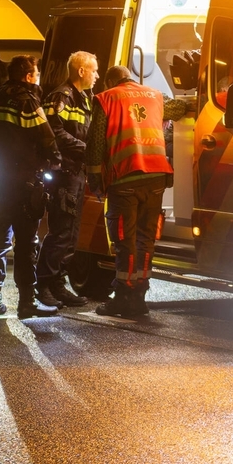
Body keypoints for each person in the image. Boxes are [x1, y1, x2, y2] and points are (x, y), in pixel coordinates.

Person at [84, 65, 189, 319]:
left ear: (110, 81)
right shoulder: (154, 95)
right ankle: (140, 298)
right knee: (145, 240)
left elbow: (95, 142)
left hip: (125, 179)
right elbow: (180, 108)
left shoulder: (106, 98)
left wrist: (94, 178)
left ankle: (123, 297)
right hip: (155, 179)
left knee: (124, 241)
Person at [0, 55, 62, 319]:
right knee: (26, 242)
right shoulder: (27, 101)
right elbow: (46, 137)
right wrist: (56, 161)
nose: (36, 78)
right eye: (35, 73)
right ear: (27, 76)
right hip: (24, 183)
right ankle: (26, 302)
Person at [36, 51, 99, 309]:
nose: (97, 75)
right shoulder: (61, 96)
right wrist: (85, 148)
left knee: (71, 233)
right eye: (93, 70)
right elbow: (54, 131)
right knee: (61, 231)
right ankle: (44, 284)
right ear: (81, 71)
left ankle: (58, 284)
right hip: (64, 172)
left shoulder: (86, 98)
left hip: (77, 172)